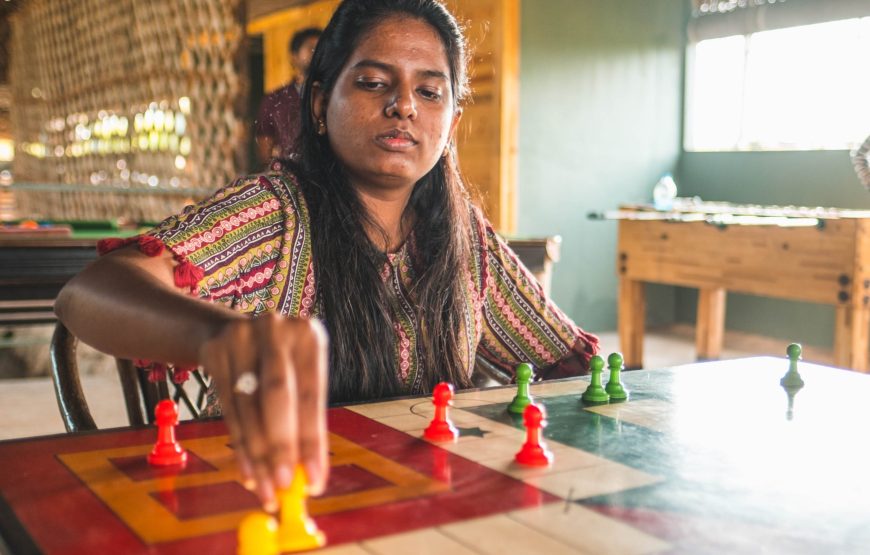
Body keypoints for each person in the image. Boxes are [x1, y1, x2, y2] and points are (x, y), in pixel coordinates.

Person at [55, 0, 598, 513]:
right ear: (318, 104)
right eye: (373, 83)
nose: (404, 105)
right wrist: (223, 336)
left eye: (430, 93)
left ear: (451, 123)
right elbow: (90, 293)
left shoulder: (467, 241)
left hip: (425, 512)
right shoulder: (273, 216)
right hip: (271, 507)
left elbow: (571, 366)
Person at [255, 27, 322, 163]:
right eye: (311, 48)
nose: (318, 54)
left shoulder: (333, 95)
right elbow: (264, 148)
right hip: (289, 175)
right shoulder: (274, 100)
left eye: (322, 49)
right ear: (294, 57)